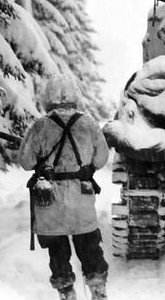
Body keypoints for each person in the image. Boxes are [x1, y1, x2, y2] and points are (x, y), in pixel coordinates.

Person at [18, 76, 110, 300]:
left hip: (51, 202)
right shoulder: (89, 124)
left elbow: (26, 161)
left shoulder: (40, 126)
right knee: (89, 247)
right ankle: (97, 289)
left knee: (58, 251)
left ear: (48, 96)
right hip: (81, 199)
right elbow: (101, 159)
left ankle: (67, 293)